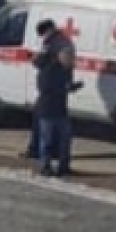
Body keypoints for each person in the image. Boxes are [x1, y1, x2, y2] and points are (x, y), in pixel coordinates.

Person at [31, 19, 82, 178]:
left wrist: (70, 86)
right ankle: (54, 165)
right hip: (53, 102)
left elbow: (37, 62)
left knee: (55, 137)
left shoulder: (54, 46)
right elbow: (49, 79)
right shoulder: (58, 49)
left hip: (54, 102)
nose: (70, 60)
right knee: (55, 136)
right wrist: (68, 86)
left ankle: (55, 166)